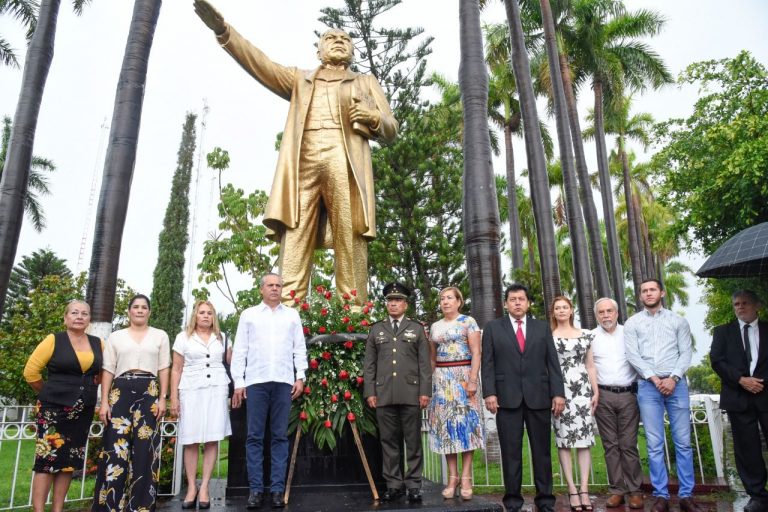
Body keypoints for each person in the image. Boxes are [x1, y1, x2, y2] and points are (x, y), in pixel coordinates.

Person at [194, 0, 398, 306]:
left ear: (352, 51)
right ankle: (287, 310)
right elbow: (261, 65)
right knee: (295, 235)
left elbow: (392, 127)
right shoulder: (300, 80)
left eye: (345, 39)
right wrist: (224, 32)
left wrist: (373, 117)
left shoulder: (364, 82)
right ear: (319, 50)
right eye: (331, 38)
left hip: (345, 161)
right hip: (305, 160)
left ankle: (354, 312)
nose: (339, 41)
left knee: (350, 235)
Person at [481, 284, 565, 512]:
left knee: (542, 453)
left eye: (521, 299)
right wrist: (489, 392)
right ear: (506, 303)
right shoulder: (493, 328)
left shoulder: (542, 328)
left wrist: (558, 393)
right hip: (506, 399)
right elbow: (487, 363)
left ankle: (545, 501)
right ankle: (512, 502)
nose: (517, 302)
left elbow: (552, 363)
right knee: (511, 454)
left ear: (528, 303)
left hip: (539, 397)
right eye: (513, 299)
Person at [230, 273, 307, 509]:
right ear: (261, 289)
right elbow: (240, 349)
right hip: (256, 382)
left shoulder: (292, 315)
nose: (274, 288)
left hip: (284, 382)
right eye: (270, 285)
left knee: (279, 437)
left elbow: (299, 348)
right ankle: (255, 490)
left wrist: (300, 376)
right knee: (254, 437)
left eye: (278, 285)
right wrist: (239, 381)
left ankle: (276, 490)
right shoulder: (249, 315)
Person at [624, 279, 702, 512]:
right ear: (640, 296)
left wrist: (673, 378)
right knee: (655, 444)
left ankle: (686, 495)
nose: (648, 293)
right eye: (644, 291)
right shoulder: (632, 323)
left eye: (652, 290)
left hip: (676, 385)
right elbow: (633, 355)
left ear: (662, 293)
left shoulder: (678, 321)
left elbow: (685, 352)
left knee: (683, 443)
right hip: (648, 387)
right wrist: (654, 378)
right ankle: (661, 496)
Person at [92, 294, 171, 512]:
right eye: (135, 307)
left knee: (146, 450)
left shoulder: (160, 336)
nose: (139, 310)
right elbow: (108, 369)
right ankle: (110, 506)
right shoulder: (116, 337)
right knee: (115, 449)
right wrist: (104, 402)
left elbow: (164, 368)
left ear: (149, 312)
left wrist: (163, 398)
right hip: (120, 392)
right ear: (129, 311)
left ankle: (140, 507)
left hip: (149, 392)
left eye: (144, 307)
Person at [23, 300, 102, 512]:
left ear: (89, 319)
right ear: (66, 317)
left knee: (69, 461)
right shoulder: (53, 340)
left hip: (82, 410)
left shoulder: (97, 343)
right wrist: (48, 393)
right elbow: (30, 372)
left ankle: (58, 509)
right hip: (53, 410)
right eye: (74, 313)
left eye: (84, 313)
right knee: (46, 461)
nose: (79, 317)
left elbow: (102, 371)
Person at [363, 282, 431, 503]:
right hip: (383, 394)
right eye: (390, 300)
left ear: (405, 304)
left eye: (398, 300)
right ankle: (393, 484)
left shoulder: (417, 329)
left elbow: (424, 364)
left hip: (411, 393)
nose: (393, 304)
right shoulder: (376, 329)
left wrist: (425, 391)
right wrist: (370, 392)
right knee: (388, 441)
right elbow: (369, 365)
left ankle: (414, 484)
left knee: (413, 441)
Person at [170, 300, 232, 509]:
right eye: (202, 312)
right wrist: (174, 397)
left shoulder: (222, 338)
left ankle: (204, 486)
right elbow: (176, 368)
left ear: (214, 317)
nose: (206, 316)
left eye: (209, 313)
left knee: (212, 438)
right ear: (195, 316)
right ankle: (191, 487)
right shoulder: (183, 337)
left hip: (216, 389)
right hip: (191, 389)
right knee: (191, 439)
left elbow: (232, 362)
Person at [710, 290, 768, 512]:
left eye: (745, 303)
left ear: (757, 305)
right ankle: (758, 496)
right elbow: (717, 361)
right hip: (738, 397)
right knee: (747, 449)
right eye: (736, 304)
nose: (740, 307)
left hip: (765, 393)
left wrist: (759, 382)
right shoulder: (723, 332)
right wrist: (741, 380)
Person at [427, 286, 483, 500]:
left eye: (450, 298)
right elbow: (432, 358)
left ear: (459, 301)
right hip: (442, 381)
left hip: (464, 378)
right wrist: (429, 383)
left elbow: (476, 352)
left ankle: (466, 477)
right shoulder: (435, 326)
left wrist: (472, 380)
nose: (445, 301)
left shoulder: (468, 322)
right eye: (442, 298)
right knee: (447, 428)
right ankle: (453, 478)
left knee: (466, 427)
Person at [591, 297, 644, 509]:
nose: (606, 315)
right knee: (610, 445)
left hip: (628, 395)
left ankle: (635, 491)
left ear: (617, 313)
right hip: (603, 395)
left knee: (628, 444)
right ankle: (617, 490)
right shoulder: (591, 337)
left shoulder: (628, 333)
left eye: (609, 311)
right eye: (601, 312)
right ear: (596, 316)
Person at [549, 296, 598, 512]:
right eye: (557, 308)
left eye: (565, 307)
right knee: (564, 441)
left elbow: (590, 365)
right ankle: (572, 489)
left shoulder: (586, 334)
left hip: (583, 392)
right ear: (553, 312)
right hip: (559, 392)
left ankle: (584, 489)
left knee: (584, 441)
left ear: (571, 310)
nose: (561, 310)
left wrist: (596, 391)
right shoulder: (548, 336)